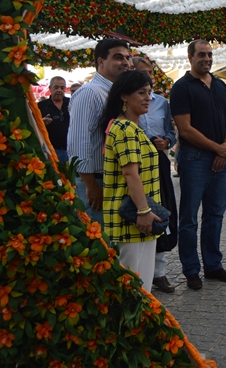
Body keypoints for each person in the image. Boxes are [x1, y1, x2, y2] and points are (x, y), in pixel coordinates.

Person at [170, 39, 226, 290]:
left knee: (215, 214)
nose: (207, 59)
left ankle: (213, 265)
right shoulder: (181, 87)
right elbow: (185, 129)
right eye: (201, 55)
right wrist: (217, 148)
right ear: (190, 57)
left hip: (220, 157)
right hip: (194, 159)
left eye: (210, 54)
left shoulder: (220, 85)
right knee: (189, 217)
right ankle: (191, 269)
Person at [99, 71, 162, 292]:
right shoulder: (125, 128)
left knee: (138, 285)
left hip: (135, 217)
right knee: (135, 287)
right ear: (124, 96)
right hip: (133, 219)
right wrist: (143, 211)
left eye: (149, 92)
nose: (147, 97)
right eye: (141, 92)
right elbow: (130, 174)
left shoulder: (125, 126)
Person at [68, 39, 132, 226]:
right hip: (96, 183)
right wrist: (91, 186)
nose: (126, 63)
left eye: (128, 58)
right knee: (99, 245)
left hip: (113, 182)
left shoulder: (115, 92)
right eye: (118, 57)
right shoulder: (90, 93)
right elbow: (78, 142)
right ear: (101, 61)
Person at [132, 57, 178, 293]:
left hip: (158, 160)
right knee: (139, 212)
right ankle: (137, 274)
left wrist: (167, 141)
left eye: (150, 73)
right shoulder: (125, 102)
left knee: (162, 210)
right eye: (142, 73)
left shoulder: (161, 102)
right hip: (135, 161)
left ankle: (159, 272)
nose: (148, 77)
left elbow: (172, 131)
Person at [38, 76, 70, 163]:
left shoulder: (72, 103)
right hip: (51, 151)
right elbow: (34, 127)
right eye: (56, 87)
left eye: (62, 88)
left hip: (71, 150)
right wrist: (41, 123)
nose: (59, 90)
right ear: (50, 88)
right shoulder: (40, 106)